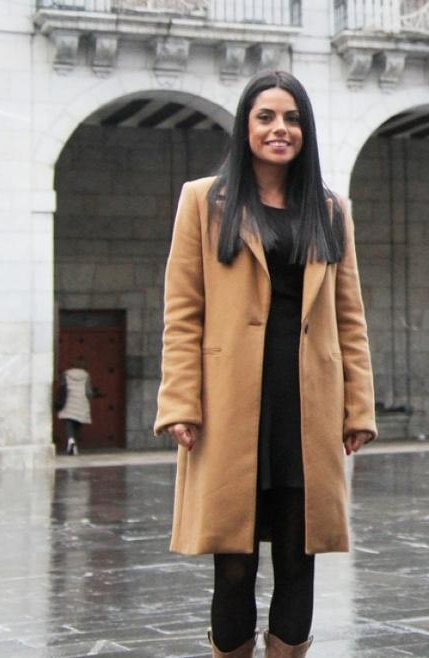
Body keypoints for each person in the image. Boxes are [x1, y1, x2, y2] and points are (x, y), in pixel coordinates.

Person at [154, 69, 376, 658]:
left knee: (299, 559)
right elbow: (183, 311)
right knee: (234, 561)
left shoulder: (330, 210)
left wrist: (358, 408)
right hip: (231, 405)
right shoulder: (203, 201)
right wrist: (179, 403)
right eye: (267, 117)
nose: (281, 129)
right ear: (245, 127)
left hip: (308, 407)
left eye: (293, 118)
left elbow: (349, 316)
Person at [56, 362, 96, 455]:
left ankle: (71, 440)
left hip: (68, 401)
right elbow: (88, 391)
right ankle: (75, 445)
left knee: (68, 422)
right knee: (78, 423)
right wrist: (91, 398)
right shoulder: (86, 375)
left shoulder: (66, 374)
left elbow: (62, 388)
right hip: (82, 401)